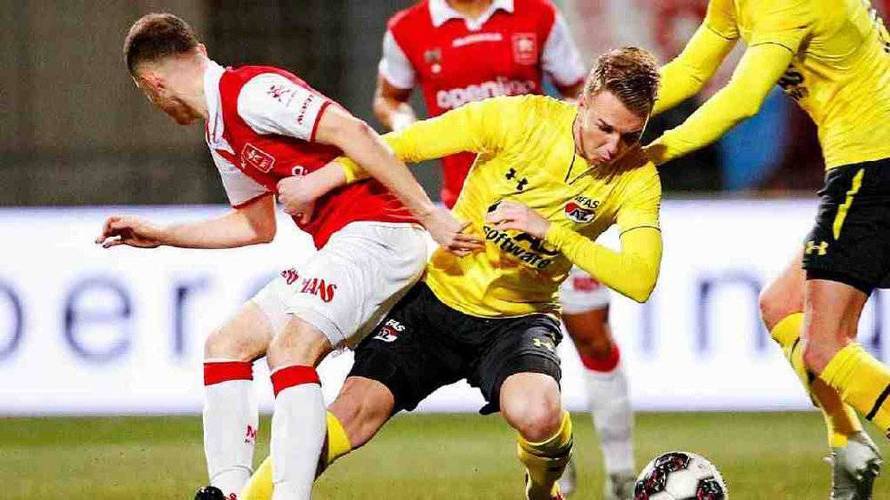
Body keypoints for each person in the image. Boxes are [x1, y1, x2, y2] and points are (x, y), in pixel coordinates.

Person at [241, 46, 662, 500]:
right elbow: (406, 144)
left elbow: (639, 280)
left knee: (538, 414)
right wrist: (323, 179)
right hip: (436, 300)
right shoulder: (521, 119)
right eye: (604, 128)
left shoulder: (636, 178)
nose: (613, 147)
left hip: (519, 318)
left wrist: (551, 232)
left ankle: (543, 491)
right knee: (351, 417)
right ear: (583, 101)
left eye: (630, 136)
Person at [100, 13, 481, 500]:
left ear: (153, 84)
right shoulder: (220, 133)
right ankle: (228, 491)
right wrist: (162, 235)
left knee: (290, 349)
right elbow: (255, 226)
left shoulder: (253, 93)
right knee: (226, 343)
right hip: (346, 245)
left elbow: (356, 132)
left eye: (146, 94)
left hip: (381, 234)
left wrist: (429, 215)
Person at [374, 1, 636, 495]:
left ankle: (621, 472)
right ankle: (552, 453)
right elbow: (388, 98)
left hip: (555, 211)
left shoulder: (538, 16)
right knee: (500, 337)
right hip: (471, 218)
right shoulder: (408, 29)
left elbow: (582, 93)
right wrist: (405, 121)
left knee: (593, 335)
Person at [644, 0, 890, 497]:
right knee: (781, 306)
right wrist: (603, 112)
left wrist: (649, 155)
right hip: (866, 165)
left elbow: (742, 99)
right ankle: (848, 442)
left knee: (825, 344)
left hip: (875, 166)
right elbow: (691, 69)